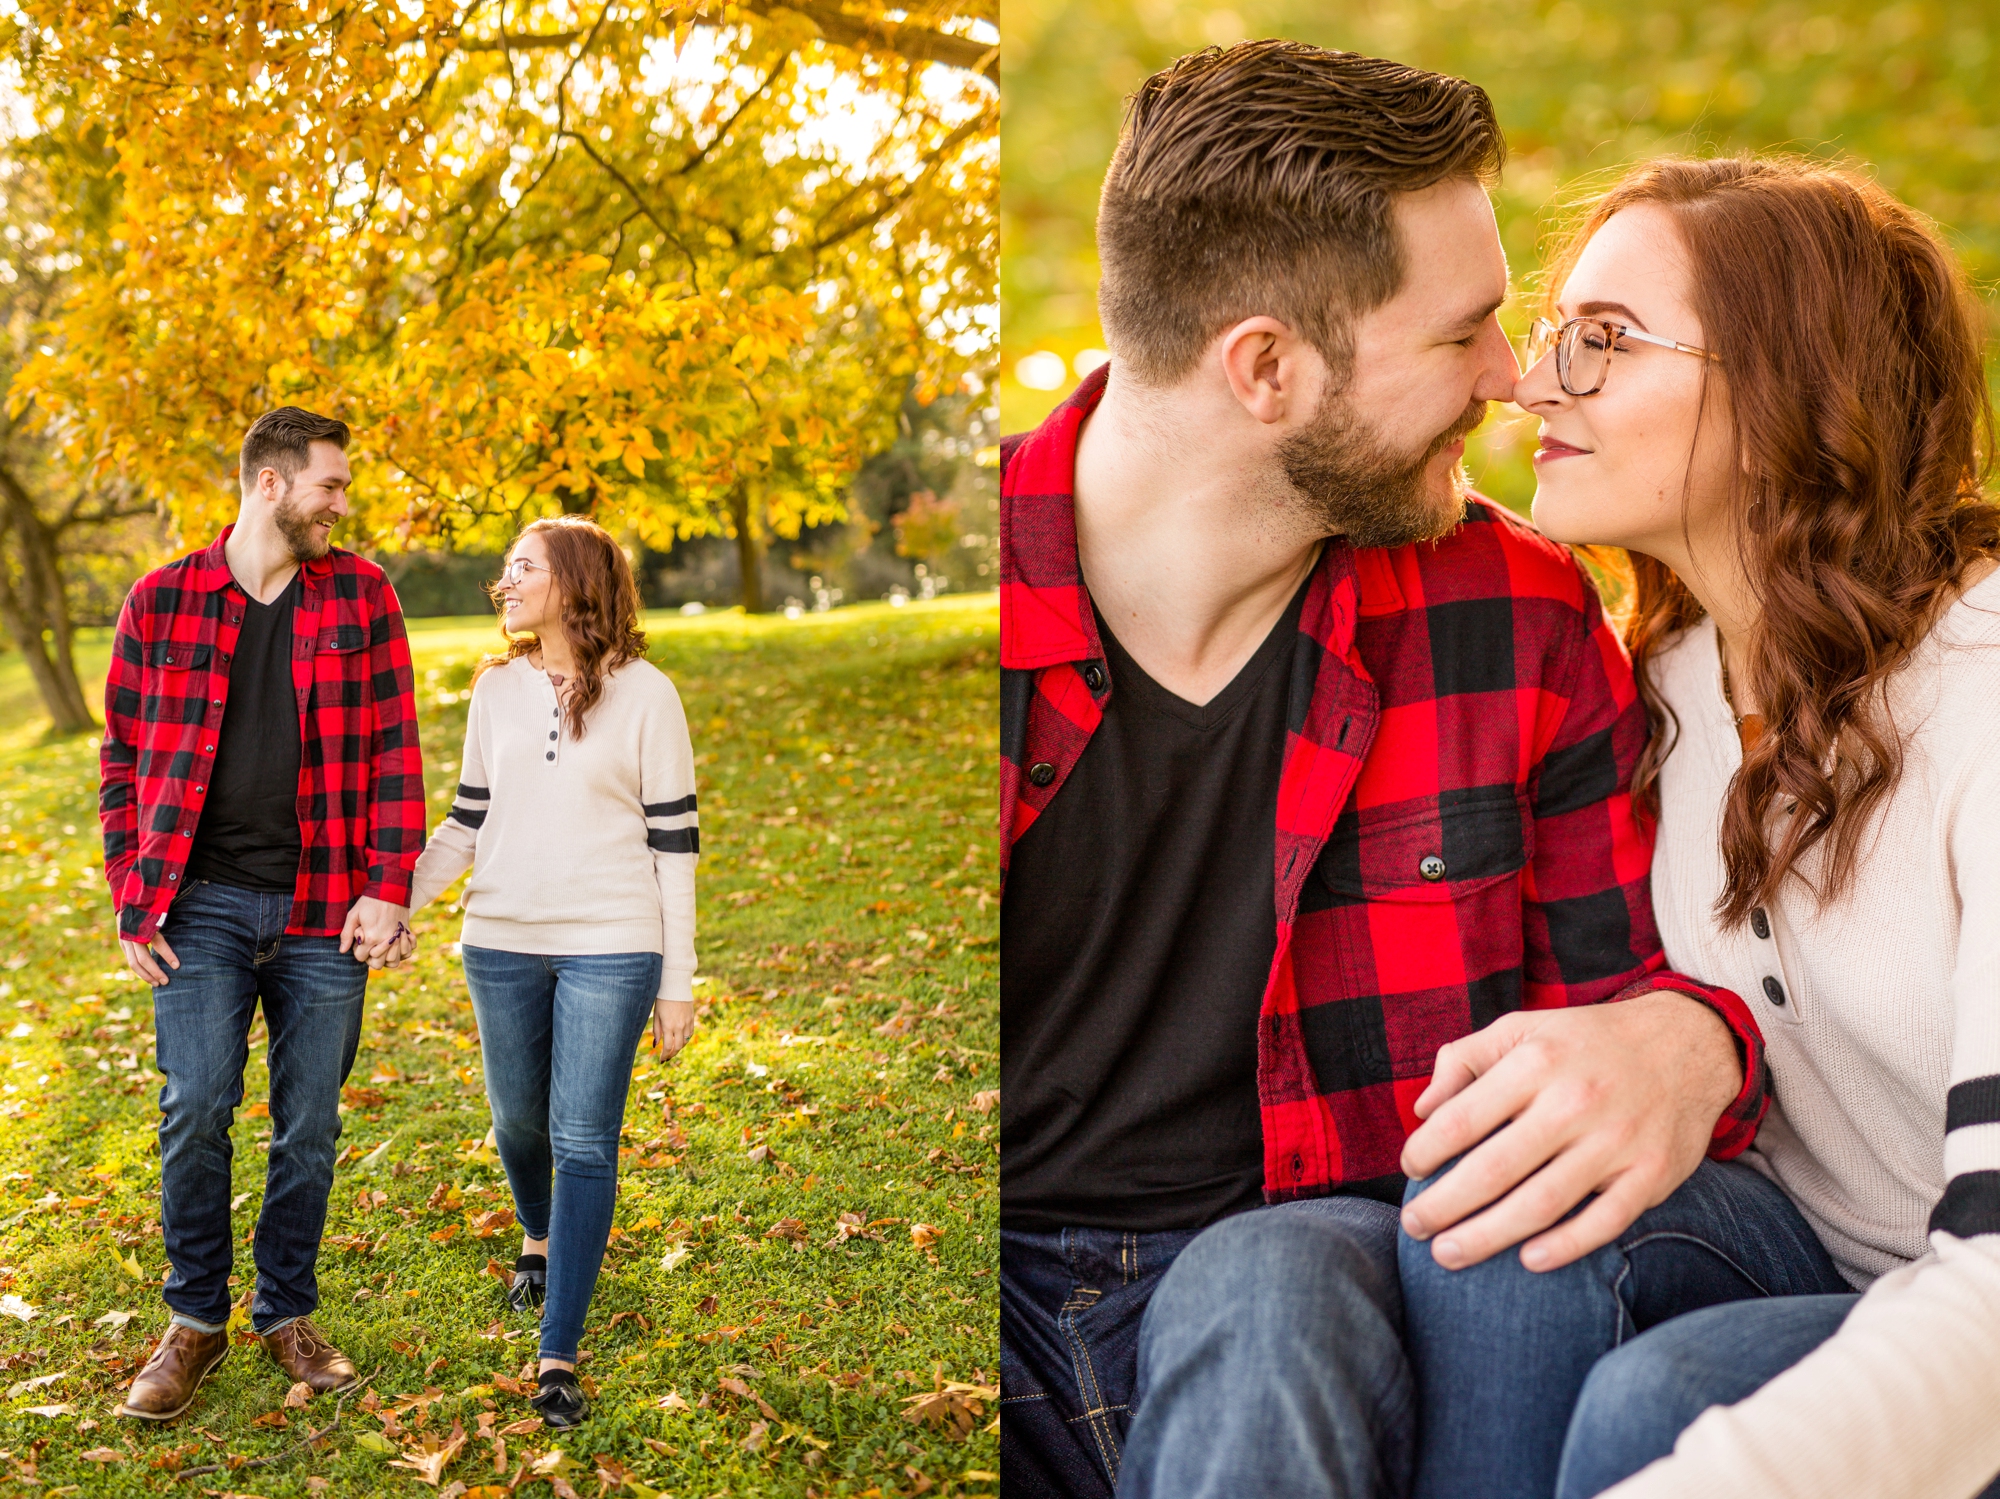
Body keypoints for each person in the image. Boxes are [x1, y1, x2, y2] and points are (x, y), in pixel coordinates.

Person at [998, 42, 1774, 1499]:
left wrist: (1691, 1037)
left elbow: (1623, 1005)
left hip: (1326, 1271)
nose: (1512, 376)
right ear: (1267, 368)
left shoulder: (1517, 612)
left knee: (1266, 1282)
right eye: (1464, 332)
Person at [1396, 155, 2000, 1499]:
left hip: (1982, 1311)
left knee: (1661, 1402)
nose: (1533, 384)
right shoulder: (1654, 688)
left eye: (1602, 343)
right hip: (1798, 1256)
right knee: (1510, 1187)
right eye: (1557, 337)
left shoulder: (1986, 686)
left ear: (1792, 381)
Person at [100, 407, 424, 1421]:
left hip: (328, 904)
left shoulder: (363, 595)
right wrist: (129, 894)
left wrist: (389, 882)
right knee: (194, 1107)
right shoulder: (162, 601)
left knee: (311, 1124)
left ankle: (285, 1306)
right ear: (272, 485)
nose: (343, 503)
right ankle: (192, 1320)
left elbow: (395, 751)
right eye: (330, 484)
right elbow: (120, 758)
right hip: (194, 907)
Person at [407, 515, 698, 1430]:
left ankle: (558, 1352)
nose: (505, 582)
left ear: (572, 584)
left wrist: (677, 977)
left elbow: (676, 846)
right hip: (498, 938)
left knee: (582, 1138)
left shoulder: (649, 695)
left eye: (521, 568)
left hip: (613, 940)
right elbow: (464, 820)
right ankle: (538, 1232)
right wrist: (394, 901)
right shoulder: (494, 691)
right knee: (516, 1122)